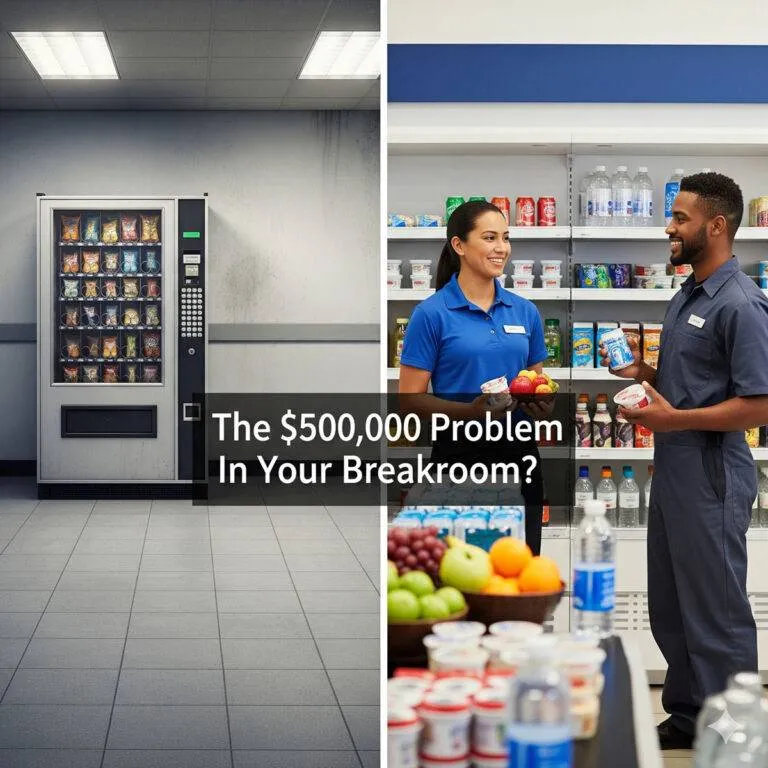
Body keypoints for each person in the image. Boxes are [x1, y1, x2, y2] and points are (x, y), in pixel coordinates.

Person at [601, 172, 768, 749]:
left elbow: (757, 404)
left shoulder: (742, 304)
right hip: (673, 470)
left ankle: (735, 736)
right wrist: (645, 375)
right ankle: (689, 714)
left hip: (713, 473)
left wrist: (674, 421)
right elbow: (693, 379)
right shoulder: (687, 294)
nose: (668, 228)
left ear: (716, 226)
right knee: (672, 603)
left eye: (680, 218)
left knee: (717, 611)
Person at [398, 200, 552, 555]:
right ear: (459, 246)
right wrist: (472, 413)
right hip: (458, 458)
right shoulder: (431, 314)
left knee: (518, 573)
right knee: (462, 574)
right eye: (489, 237)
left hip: (520, 456)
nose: (502, 248)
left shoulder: (525, 311)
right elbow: (409, 400)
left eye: (506, 237)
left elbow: (535, 382)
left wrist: (541, 403)